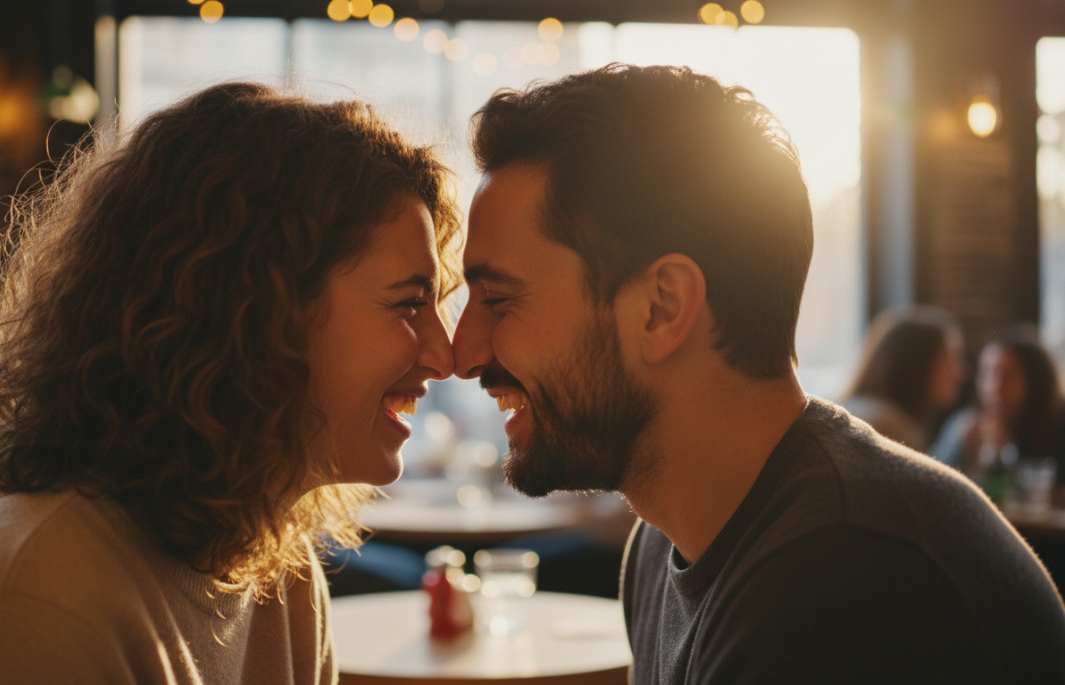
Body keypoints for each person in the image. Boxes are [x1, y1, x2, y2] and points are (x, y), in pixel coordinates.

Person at [451, 64, 1065, 683]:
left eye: (500, 301)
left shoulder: (846, 581)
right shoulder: (664, 542)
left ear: (662, 308)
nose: (462, 352)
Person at [0, 82, 459, 684]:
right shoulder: (33, 611)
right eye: (410, 304)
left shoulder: (280, 573)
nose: (446, 356)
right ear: (253, 312)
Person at [931, 324, 1065, 484]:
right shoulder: (965, 429)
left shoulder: (1058, 426)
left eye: (1008, 376)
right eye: (987, 373)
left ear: (1036, 382)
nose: (995, 387)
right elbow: (931, 484)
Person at [840, 305, 965, 450]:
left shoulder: (866, 413)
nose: (961, 372)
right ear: (918, 364)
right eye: (950, 359)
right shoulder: (887, 430)